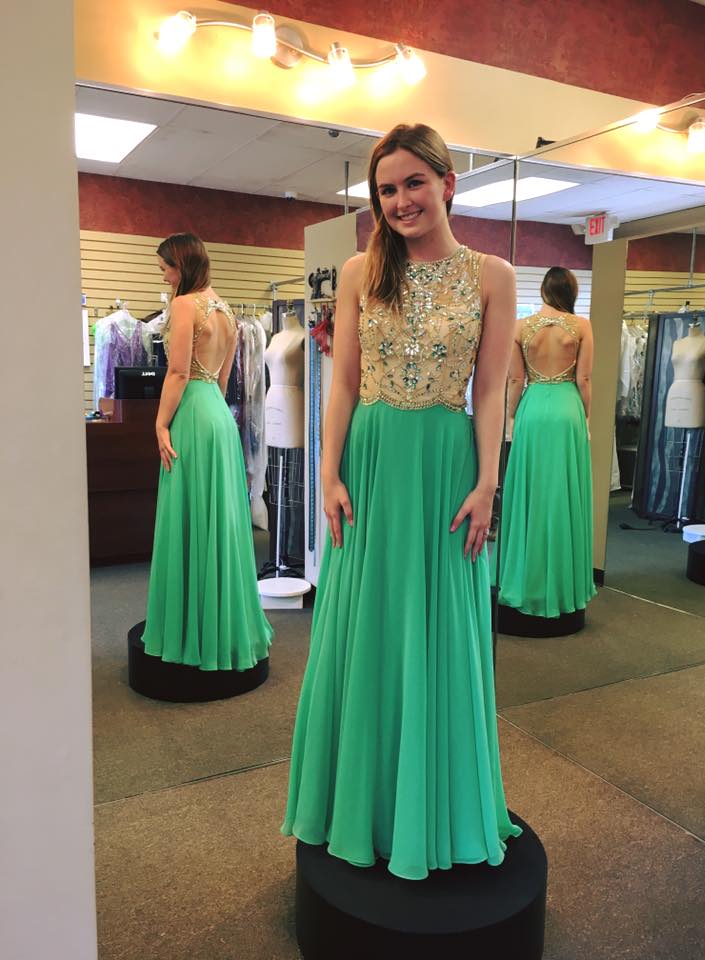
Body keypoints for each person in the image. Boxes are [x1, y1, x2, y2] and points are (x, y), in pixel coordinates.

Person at [282, 124, 521, 880]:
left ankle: (435, 803)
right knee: (367, 625)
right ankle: (360, 803)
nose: (399, 201)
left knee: (440, 625)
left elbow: (489, 391)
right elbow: (344, 380)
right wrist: (329, 474)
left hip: (447, 466)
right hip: (376, 462)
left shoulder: (493, 274)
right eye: (386, 190)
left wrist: (489, 482)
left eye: (413, 183)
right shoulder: (360, 270)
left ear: (448, 183)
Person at [142, 233, 272, 670]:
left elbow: (178, 372)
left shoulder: (184, 305)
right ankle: (221, 623)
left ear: (182, 266)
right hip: (218, 416)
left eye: (166, 268)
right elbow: (223, 378)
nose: (164, 276)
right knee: (218, 517)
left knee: (191, 514)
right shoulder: (226, 310)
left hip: (194, 414)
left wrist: (161, 422)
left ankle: (190, 629)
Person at [496, 266, 596, 618]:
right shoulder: (581, 326)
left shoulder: (521, 328)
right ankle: (563, 583)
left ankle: (525, 579)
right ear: (570, 291)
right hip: (567, 408)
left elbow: (514, 380)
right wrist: (585, 415)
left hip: (533, 407)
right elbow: (584, 378)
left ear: (542, 290)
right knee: (563, 492)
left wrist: (511, 417)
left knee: (530, 493)